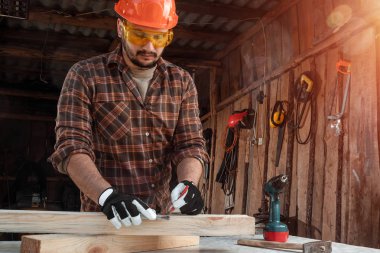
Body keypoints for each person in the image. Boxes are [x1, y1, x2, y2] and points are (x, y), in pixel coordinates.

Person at [49, 0, 209, 229]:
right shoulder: (85, 76)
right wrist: (106, 196)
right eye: (139, 35)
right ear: (120, 28)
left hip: (158, 222)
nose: (149, 47)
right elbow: (71, 147)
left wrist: (188, 184)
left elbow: (190, 145)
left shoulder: (181, 82)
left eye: (158, 37)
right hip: (104, 221)